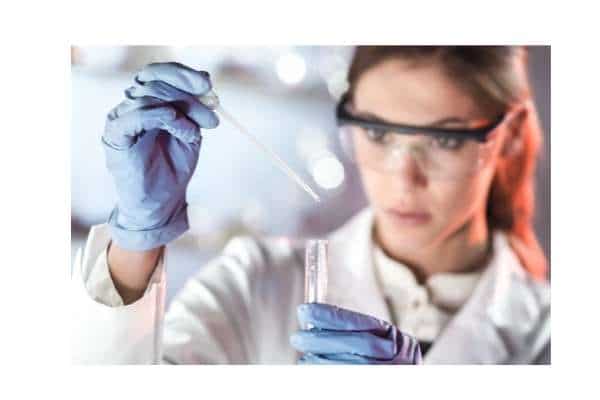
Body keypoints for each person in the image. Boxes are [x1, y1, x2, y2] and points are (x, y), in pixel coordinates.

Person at [71, 46, 550, 364]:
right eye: (378, 133)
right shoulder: (256, 281)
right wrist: (137, 235)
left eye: (445, 140)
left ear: (507, 137)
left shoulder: (555, 340)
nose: (405, 177)